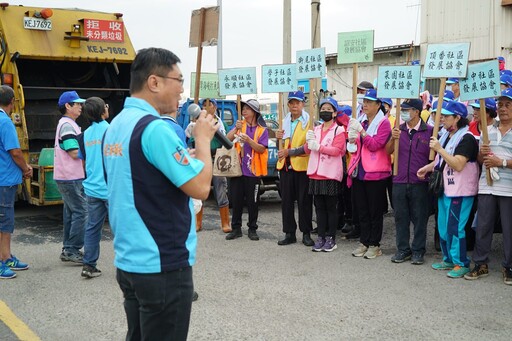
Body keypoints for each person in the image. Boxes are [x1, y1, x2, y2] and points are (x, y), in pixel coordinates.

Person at [103, 47, 217, 340]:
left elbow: (139, 176)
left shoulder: (116, 125)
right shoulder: (154, 129)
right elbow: (201, 188)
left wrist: (185, 156)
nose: (182, 91)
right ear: (154, 82)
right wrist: (203, 142)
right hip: (162, 263)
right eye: (178, 81)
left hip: (130, 261)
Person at [417, 101, 479, 279]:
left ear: (458, 118)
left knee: (455, 227)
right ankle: (449, 259)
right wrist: (428, 167)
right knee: (443, 227)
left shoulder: (467, 138)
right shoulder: (445, 135)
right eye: (441, 115)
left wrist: (439, 149)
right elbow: (441, 161)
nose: (441, 118)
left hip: (461, 190)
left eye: (446, 116)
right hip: (445, 188)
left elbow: (458, 164)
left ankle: (462, 263)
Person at [464, 88, 512, 285]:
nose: (503, 109)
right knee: (483, 226)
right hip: (486, 186)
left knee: (510, 229)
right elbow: (479, 160)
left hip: (509, 189)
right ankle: (480, 263)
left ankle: (509, 266)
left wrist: (501, 162)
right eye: (500, 105)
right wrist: (482, 154)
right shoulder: (488, 131)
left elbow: (500, 161)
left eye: (508, 104)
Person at [385, 98, 433, 265]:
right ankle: (403, 249)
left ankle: (418, 250)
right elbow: (387, 151)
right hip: (398, 180)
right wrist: (393, 138)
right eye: (402, 109)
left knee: (420, 218)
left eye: (407, 109)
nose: (403, 112)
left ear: (417, 112)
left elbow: (435, 158)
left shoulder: (430, 132)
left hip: (420, 182)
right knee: (400, 217)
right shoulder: (398, 130)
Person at [347, 89, 392, 259]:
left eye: (370, 102)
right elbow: (356, 146)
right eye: (364, 101)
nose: (365, 105)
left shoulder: (384, 123)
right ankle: (364, 241)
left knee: (374, 211)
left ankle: (375, 243)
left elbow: (375, 145)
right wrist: (351, 139)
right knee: (362, 210)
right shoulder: (362, 121)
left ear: (378, 105)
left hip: (376, 173)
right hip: (360, 171)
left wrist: (362, 133)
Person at [305, 98, 346, 252]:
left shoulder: (339, 130)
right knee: (319, 208)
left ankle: (331, 238)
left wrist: (319, 146)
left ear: (335, 113)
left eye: (329, 109)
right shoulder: (315, 129)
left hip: (330, 174)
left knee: (331, 208)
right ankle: (320, 236)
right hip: (315, 173)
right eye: (323, 109)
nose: (325, 111)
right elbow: (309, 150)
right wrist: (308, 142)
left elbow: (337, 151)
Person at [0, 85, 32, 279]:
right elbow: (15, 152)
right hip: (4, 180)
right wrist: (26, 168)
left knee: (5, 221)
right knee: (4, 222)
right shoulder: (5, 122)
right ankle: (2, 260)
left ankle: (6, 257)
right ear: (13, 101)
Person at [225, 99, 268, 241]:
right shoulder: (239, 125)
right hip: (237, 171)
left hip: (253, 171)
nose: (244, 110)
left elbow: (262, 149)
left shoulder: (262, 130)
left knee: (253, 202)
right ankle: (236, 228)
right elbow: (227, 139)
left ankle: (252, 228)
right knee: (235, 201)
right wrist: (235, 129)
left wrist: (249, 140)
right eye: (243, 108)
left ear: (255, 112)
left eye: (248, 108)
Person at [276, 91, 314, 247]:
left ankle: (306, 233)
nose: (294, 106)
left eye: (297, 103)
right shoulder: (283, 122)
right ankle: (289, 233)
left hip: (302, 166)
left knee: (305, 201)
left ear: (302, 104)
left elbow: (309, 146)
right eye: (291, 103)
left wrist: (289, 152)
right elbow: (282, 144)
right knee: (286, 202)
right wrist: (277, 136)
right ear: (288, 105)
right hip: (285, 166)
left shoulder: (309, 122)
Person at [54, 90, 87, 263]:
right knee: (82, 211)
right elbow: (74, 152)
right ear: (68, 106)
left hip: (67, 175)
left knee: (71, 213)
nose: (81, 107)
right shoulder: (67, 125)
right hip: (70, 176)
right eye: (77, 104)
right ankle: (72, 249)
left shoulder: (68, 123)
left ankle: (68, 248)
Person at [79, 97, 109, 279]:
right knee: (123, 228)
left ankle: (89, 265)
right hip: (110, 189)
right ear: (102, 112)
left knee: (92, 227)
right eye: (105, 105)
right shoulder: (112, 131)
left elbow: (83, 161)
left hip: (92, 187)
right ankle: (129, 268)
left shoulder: (85, 134)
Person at [200, 98, 231, 233]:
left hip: (217, 160)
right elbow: (192, 142)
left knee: (221, 189)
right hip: (202, 161)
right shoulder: (197, 123)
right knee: (200, 191)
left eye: (209, 104)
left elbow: (227, 142)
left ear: (215, 107)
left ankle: (225, 222)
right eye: (203, 105)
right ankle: (197, 221)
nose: (206, 107)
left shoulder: (221, 124)